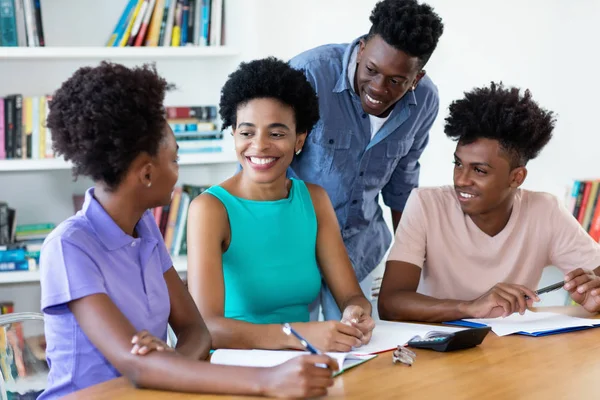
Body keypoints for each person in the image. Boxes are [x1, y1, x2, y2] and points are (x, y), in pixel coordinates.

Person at [38, 62, 338, 400]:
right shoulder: (69, 246)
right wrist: (267, 380)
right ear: (147, 174)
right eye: (175, 160)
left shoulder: (145, 229)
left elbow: (196, 331)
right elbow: (136, 365)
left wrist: (168, 366)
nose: (178, 173)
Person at [186, 57, 376, 352]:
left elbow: (351, 295)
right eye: (247, 132)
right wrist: (297, 336)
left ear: (300, 140)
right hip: (234, 371)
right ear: (233, 134)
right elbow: (205, 327)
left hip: (303, 363)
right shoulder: (210, 209)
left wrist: (356, 312)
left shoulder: (314, 200)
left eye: (276, 134)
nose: (260, 146)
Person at [378, 82, 600, 323]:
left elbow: (596, 282)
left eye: (479, 171)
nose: (461, 180)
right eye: (458, 164)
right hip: (438, 349)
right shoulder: (426, 205)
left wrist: (595, 298)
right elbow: (390, 303)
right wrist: (471, 308)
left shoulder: (545, 211)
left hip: (511, 350)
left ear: (516, 177)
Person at [288, 0, 445, 320]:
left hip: (359, 251)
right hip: (292, 250)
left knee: (356, 353)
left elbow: (404, 181)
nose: (377, 88)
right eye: (371, 70)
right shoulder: (308, 74)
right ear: (361, 49)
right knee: (293, 352)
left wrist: (412, 266)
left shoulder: (425, 101)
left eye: (395, 81)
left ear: (416, 79)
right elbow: (261, 162)